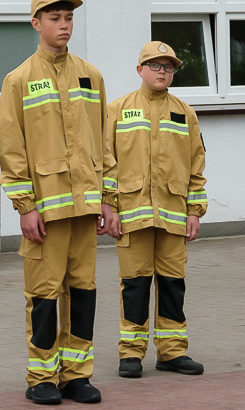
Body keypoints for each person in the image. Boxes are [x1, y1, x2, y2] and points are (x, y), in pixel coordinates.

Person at [0, 0, 116, 405]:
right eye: (54, 18)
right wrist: (25, 208)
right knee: (44, 296)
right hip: (45, 213)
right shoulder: (19, 80)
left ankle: (77, 375)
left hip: (85, 209)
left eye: (68, 18)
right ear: (36, 23)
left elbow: (104, 142)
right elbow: (12, 151)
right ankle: (42, 378)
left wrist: (108, 199)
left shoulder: (91, 75)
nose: (63, 25)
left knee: (83, 292)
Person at [103, 41, 208, 379]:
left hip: (174, 215)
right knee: (135, 285)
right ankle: (131, 354)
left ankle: (173, 352)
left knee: (173, 285)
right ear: (140, 70)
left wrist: (195, 210)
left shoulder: (184, 113)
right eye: (155, 65)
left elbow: (196, 166)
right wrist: (109, 207)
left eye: (168, 67)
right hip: (132, 215)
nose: (162, 72)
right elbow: (106, 163)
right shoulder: (116, 110)